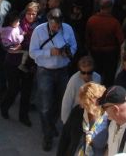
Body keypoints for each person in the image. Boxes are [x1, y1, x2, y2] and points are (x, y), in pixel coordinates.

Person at [29, 9, 78, 151]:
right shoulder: (39, 31)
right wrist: (50, 52)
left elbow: (74, 46)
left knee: (61, 101)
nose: (55, 28)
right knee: (45, 105)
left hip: (62, 70)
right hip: (45, 71)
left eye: (58, 26)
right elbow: (33, 52)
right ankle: (47, 135)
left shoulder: (68, 29)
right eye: (53, 25)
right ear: (48, 21)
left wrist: (67, 52)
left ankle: (51, 125)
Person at [0, 2, 39, 127]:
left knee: (26, 91)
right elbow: (5, 41)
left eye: (34, 14)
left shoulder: (40, 26)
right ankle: (4, 107)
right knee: (13, 88)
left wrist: (22, 46)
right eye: (29, 13)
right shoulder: (17, 23)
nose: (31, 16)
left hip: (29, 63)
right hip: (13, 62)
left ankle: (24, 116)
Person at [58, 82, 109, 156]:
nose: (82, 107)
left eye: (86, 104)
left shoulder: (109, 117)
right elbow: (65, 138)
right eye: (83, 104)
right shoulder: (78, 111)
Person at [86, 0, 124, 86]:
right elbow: (121, 40)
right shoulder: (114, 22)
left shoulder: (91, 20)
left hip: (95, 52)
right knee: (109, 77)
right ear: (110, 8)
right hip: (111, 54)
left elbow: (87, 38)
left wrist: (89, 50)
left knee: (96, 74)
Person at [61, 56, 103, 125]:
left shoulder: (97, 78)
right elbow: (67, 102)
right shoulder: (74, 81)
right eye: (83, 72)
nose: (86, 75)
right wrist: (66, 123)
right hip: (76, 114)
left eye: (89, 72)